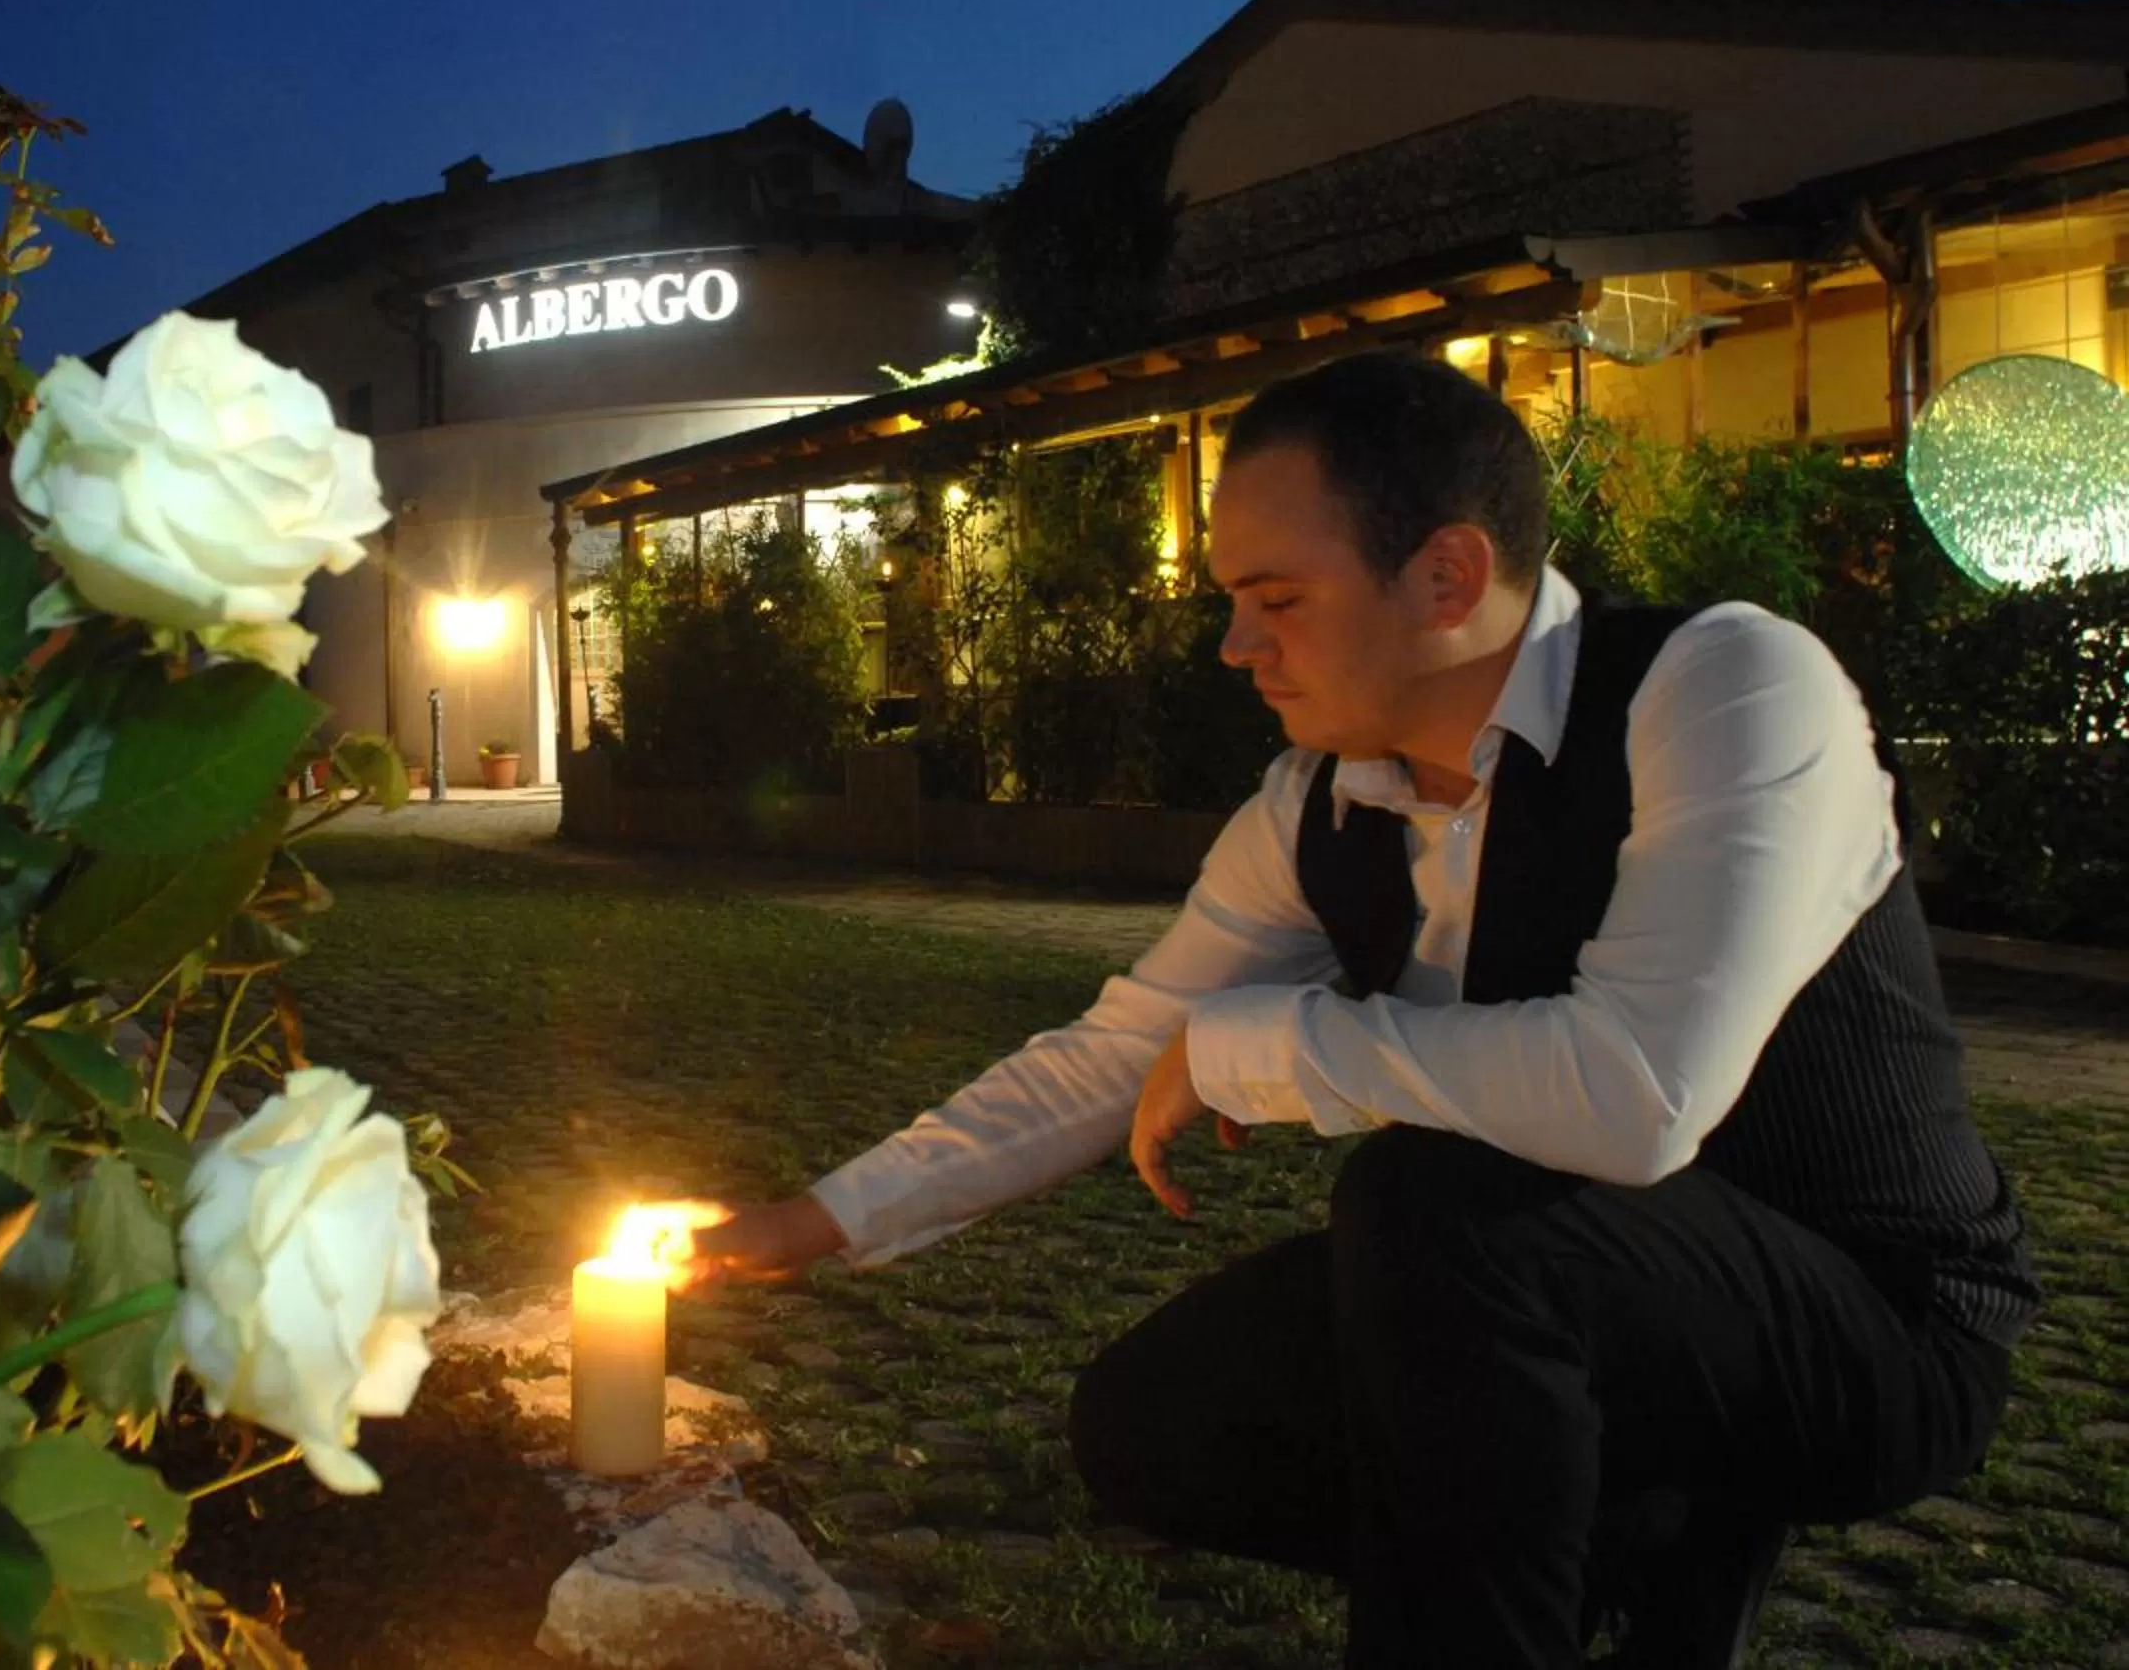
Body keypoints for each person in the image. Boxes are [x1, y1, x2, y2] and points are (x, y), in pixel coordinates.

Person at [689, 349, 2036, 1670]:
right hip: (1558, 1287)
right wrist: (819, 1220)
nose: (1234, 645)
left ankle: (1582, 1558)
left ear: (1445, 576)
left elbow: (1638, 1094)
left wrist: (1266, 1049)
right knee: (1152, 1425)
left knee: (1426, 1209)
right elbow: (1115, 1050)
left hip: (1873, 1317)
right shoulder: (1318, 804)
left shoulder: (1731, 686)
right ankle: (1621, 1524)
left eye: (1275, 597)